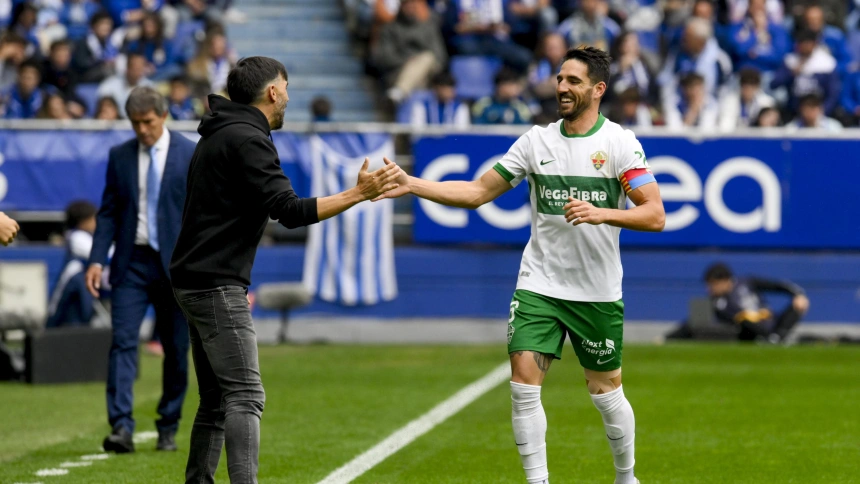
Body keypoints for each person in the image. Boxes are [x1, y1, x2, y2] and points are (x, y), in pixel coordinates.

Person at [377, 46, 664, 484]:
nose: (562, 87)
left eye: (573, 81)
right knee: (523, 381)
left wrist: (604, 212)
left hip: (596, 291)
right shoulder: (536, 141)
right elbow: (476, 192)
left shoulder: (619, 144)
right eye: (560, 79)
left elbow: (655, 215)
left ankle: (626, 477)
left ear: (598, 89)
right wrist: (412, 183)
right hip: (540, 283)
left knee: (605, 392)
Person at [169, 56, 403, 483]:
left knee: (218, 398)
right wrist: (358, 193)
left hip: (194, 279)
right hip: (216, 283)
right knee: (245, 395)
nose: (289, 98)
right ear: (273, 91)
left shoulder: (220, 132)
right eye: (287, 88)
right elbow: (290, 211)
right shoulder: (247, 138)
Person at [85, 87, 197, 454]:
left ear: (163, 116)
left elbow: (201, 216)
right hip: (131, 262)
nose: (142, 130)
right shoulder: (120, 156)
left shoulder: (190, 153)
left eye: (147, 122)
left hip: (177, 266)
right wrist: (97, 259)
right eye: (135, 124)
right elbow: (108, 212)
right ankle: (121, 427)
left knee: (176, 350)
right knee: (122, 342)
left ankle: (168, 424)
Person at [666, 262, 809, 343]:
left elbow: (776, 285)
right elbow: (692, 323)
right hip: (748, 331)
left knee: (799, 303)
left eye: (713, 285)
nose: (709, 289)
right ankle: (771, 339)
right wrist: (668, 337)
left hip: (770, 320)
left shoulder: (747, 281)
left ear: (725, 281)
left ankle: (776, 337)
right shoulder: (716, 302)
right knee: (742, 319)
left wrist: (797, 294)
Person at [370, 0, 447, 104]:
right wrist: (408, 61)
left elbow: (440, 55)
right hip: (399, 71)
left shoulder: (427, 28)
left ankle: (400, 91)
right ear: (401, 6)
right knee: (419, 80)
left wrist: (418, 61)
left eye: (413, 5)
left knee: (427, 58)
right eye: (407, 5)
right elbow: (384, 57)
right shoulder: (389, 29)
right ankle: (403, 95)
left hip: (429, 72)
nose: (410, 8)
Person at [46, 201, 99, 328]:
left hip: (84, 279)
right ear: (83, 221)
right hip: (73, 280)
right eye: (92, 219)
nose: (95, 222)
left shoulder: (90, 236)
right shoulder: (76, 236)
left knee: (83, 312)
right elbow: (97, 254)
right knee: (59, 312)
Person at [770, 29, 840, 117]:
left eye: (808, 43)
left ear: (815, 44)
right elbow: (774, 84)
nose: (805, 47)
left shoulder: (826, 63)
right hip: (795, 112)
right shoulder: (791, 60)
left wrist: (822, 113)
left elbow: (833, 94)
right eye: (802, 43)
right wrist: (791, 73)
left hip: (820, 112)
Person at [96, 53, 154, 119]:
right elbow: (102, 107)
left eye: (141, 68)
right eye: (135, 68)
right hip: (115, 125)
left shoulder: (149, 87)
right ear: (128, 67)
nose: (138, 72)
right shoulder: (109, 85)